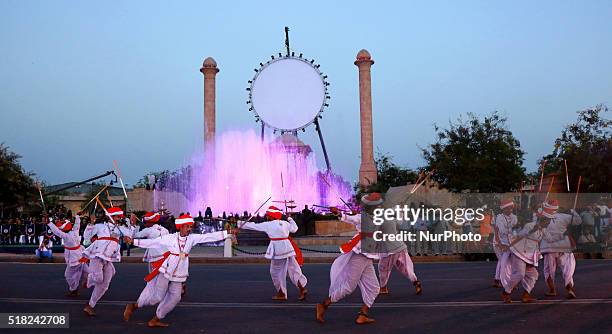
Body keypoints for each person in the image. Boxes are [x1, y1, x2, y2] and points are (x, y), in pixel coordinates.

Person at [122, 214, 234, 327]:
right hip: (167, 269)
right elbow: (153, 242)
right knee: (157, 297)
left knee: (176, 297)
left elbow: (207, 237)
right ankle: (133, 306)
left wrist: (227, 233)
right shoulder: (170, 238)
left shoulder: (192, 238)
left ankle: (155, 319)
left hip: (180, 271)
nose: (189, 229)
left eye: (190, 227)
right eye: (187, 226)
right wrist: (133, 242)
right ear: (180, 227)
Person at [316, 193, 382, 325]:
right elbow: (349, 218)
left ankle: (363, 315)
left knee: (374, 288)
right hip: (360, 252)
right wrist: (339, 214)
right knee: (349, 287)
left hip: (368, 256)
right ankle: (323, 305)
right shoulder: (362, 217)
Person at [237, 206, 308, 301]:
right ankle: (302, 289)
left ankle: (282, 293)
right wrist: (289, 218)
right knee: (293, 269)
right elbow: (295, 228)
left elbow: (253, 226)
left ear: (271, 216)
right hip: (288, 249)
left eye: (267, 215)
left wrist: (239, 223)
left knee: (275, 272)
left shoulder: (268, 225)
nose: (266, 217)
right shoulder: (285, 223)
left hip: (278, 250)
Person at [81, 207, 138, 316]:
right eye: (116, 216)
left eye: (119, 217)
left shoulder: (120, 228)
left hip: (108, 258)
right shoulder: (99, 226)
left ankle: (90, 305)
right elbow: (86, 237)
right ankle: (89, 279)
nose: (118, 218)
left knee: (104, 285)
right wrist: (91, 224)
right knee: (98, 278)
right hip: (97, 255)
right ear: (110, 217)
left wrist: (132, 224)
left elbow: (130, 235)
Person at [501, 205, 550, 303]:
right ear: (542, 220)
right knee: (520, 274)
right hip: (519, 252)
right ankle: (506, 293)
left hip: (531, 255)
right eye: (547, 221)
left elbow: (549, 239)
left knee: (534, 275)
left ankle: (526, 295)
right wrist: (533, 229)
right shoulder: (530, 225)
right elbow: (521, 234)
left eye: (549, 221)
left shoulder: (544, 230)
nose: (548, 223)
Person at [540, 199, 582, 298]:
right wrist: (572, 210)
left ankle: (552, 290)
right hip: (564, 246)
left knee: (549, 270)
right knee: (567, 269)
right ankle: (570, 288)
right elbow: (578, 221)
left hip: (549, 247)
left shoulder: (541, 218)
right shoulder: (564, 216)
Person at [377, 205, 422, 296]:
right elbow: (400, 222)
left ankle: (383, 288)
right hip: (400, 246)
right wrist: (400, 210)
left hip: (390, 249)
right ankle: (416, 282)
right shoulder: (392, 219)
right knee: (406, 267)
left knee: (383, 268)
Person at [46, 213, 88, 297]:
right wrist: (77, 216)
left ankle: (75, 289)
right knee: (79, 271)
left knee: (68, 275)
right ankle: (85, 279)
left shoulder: (65, 236)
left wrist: (49, 223)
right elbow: (77, 224)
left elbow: (56, 231)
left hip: (74, 257)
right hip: (80, 254)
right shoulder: (75, 231)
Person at [491, 199, 517, 288]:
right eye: (507, 208)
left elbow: (516, 230)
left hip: (509, 243)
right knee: (504, 262)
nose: (509, 210)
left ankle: (499, 279)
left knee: (505, 262)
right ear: (503, 209)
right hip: (499, 243)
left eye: (511, 208)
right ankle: (504, 281)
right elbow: (501, 231)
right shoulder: (499, 217)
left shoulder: (514, 217)